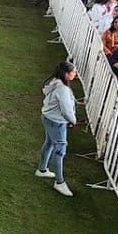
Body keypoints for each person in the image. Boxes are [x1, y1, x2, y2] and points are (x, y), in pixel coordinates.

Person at [37, 62, 78, 197]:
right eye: (73, 72)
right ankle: (59, 182)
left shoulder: (55, 82)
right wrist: (73, 120)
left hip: (48, 118)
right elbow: (66, 109)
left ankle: (42, 169)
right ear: (67, 74)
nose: (75, 74)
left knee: (49, 143)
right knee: (60, 151)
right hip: (57, 122)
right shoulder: (63, 89)